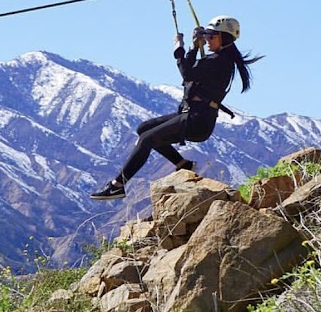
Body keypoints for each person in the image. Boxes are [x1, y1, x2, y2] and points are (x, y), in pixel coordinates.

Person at [90, 15, 263, 200]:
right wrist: (193, 48)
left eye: (211, 36)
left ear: (224, 38)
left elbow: (187, 73)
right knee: (143, 129)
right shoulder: (217, 59)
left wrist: (180, 47)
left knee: (147, 139)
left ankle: (118, 185)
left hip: (197, 121)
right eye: (206, 35)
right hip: (192, 115)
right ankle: (183, 164)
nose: (207, 40)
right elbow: (191, 70)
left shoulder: (219, 61)